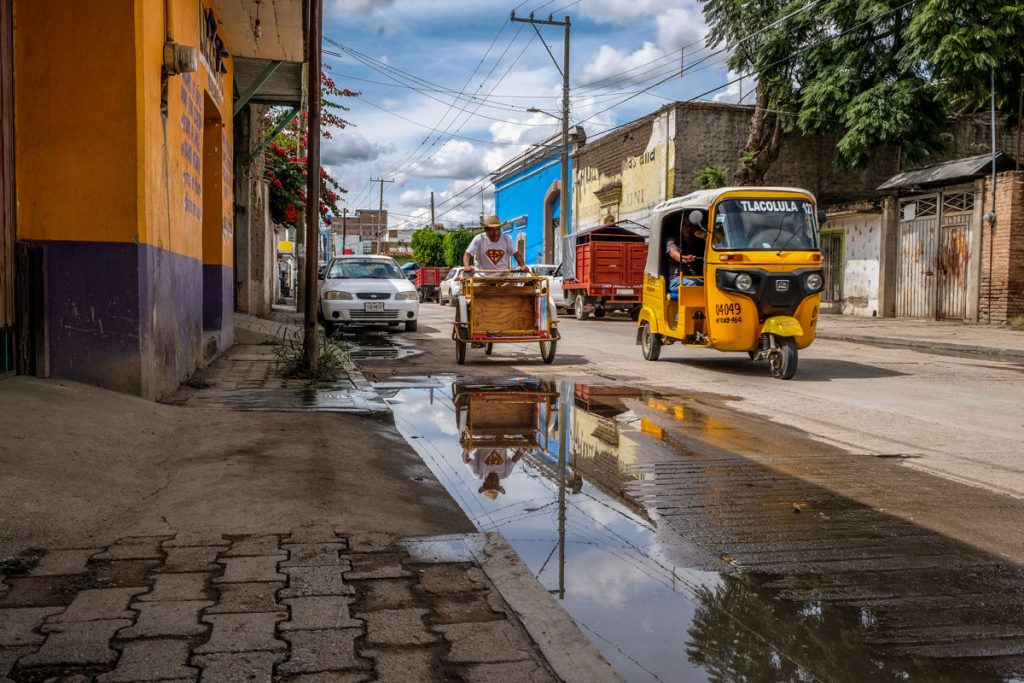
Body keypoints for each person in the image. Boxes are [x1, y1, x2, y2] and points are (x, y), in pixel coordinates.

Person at [665, 217, 706, 292]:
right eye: (684, 225)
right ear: (679, 227)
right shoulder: (672, 240)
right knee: (694, 284)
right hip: (678, 279)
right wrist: (683, 258)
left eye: (690, 225)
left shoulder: (699, 241)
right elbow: (673, 252)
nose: (688, 228)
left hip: (698, 276)